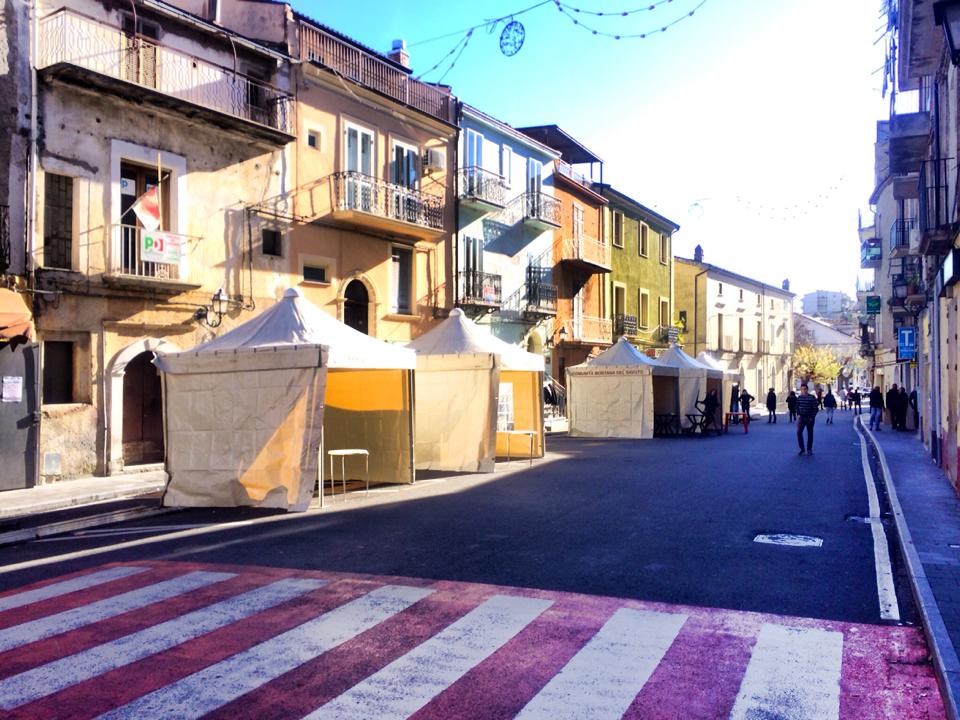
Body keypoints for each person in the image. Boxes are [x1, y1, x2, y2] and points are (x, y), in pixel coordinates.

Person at [795, 383, 819, 455]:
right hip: (801, 417)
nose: (803, 391)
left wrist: (812, 417)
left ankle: (809, 449)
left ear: (807, 389)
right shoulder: (799, 398)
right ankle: (802, 449)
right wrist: (798, 414)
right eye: (802, 389)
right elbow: (797, 407)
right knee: (799, 432)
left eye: (804, 389)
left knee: (810, 433)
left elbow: (815, 408)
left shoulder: (812, 397)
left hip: (809, 417)